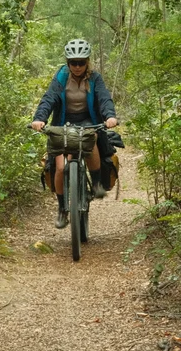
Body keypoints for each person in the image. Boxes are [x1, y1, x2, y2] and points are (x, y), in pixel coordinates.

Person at [31, 39, 119, 229]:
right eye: (73, 62)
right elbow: (49, 98)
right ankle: (62, 209)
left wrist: (110, 116)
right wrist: (39, 118)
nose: (77, 66)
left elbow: (104, 98)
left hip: (88, 120)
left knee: (91, 140)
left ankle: (96, 184)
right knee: (60, 167)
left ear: (87, 62)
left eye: (81, 62)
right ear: (68, 62)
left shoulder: (94, 78)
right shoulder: (61, 77)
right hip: (63, 121)